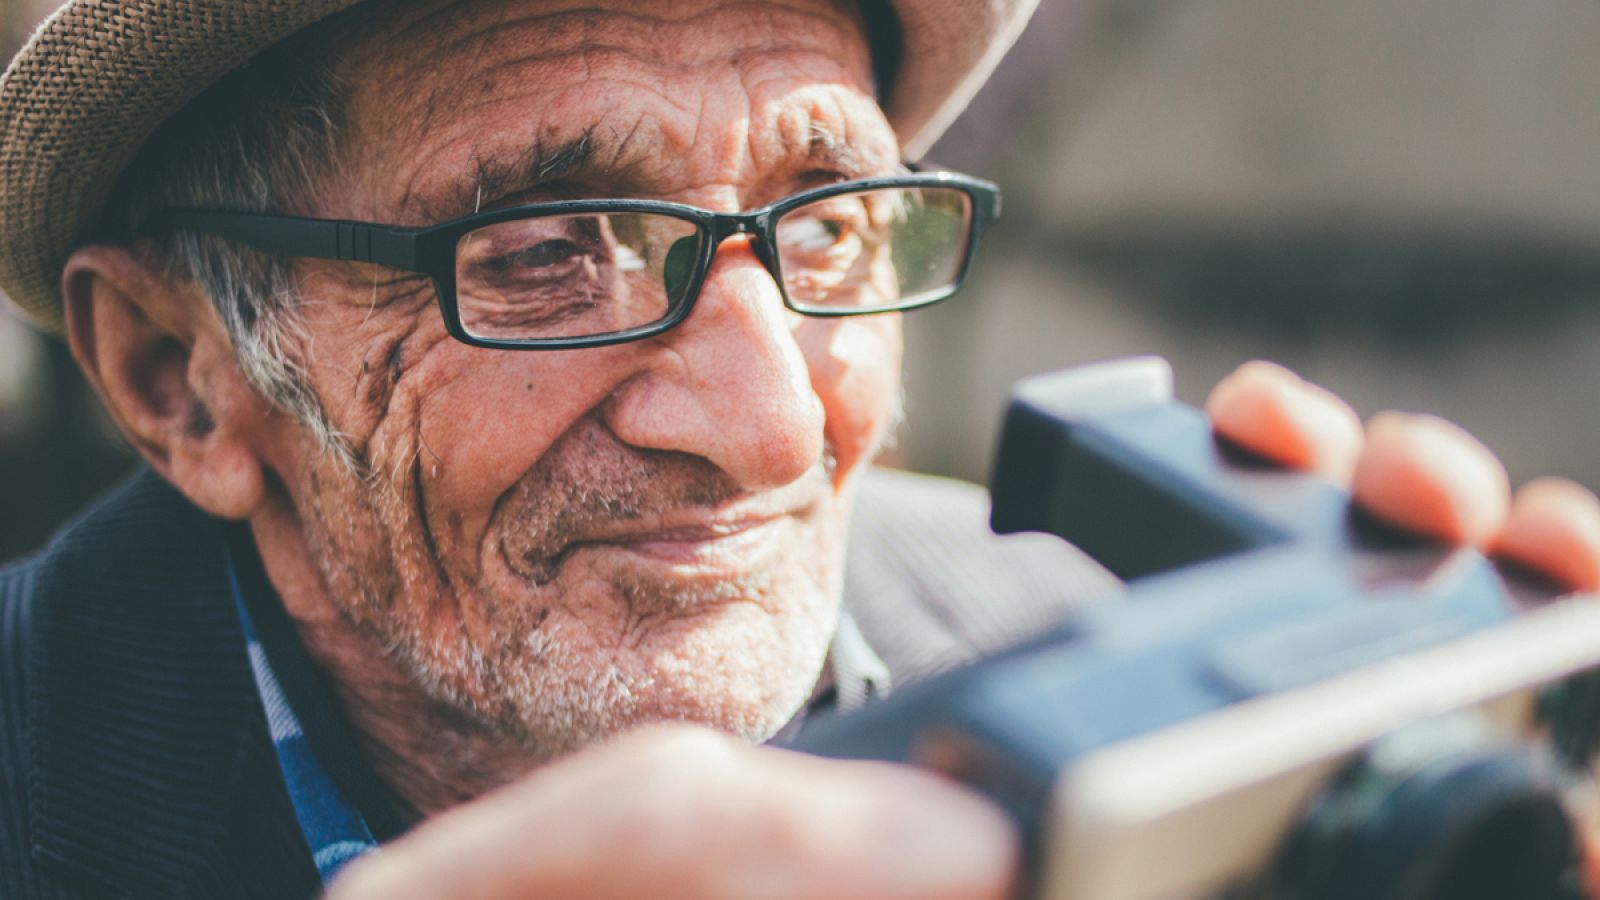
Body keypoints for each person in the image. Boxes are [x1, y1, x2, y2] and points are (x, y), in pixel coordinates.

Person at [1, 1, 1597, 898]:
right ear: (178, 379)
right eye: (552, 245)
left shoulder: (1056, 621)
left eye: (830, 223)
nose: (773, 425)